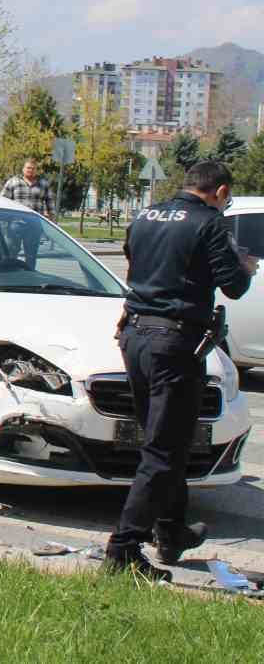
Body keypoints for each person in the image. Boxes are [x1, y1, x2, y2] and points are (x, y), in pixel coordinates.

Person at [104, 160, 257, 580]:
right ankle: (123, 548)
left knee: (162, 439)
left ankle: (171, 530)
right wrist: (244, 267)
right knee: (165, 448)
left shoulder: (147, 215)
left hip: (134, 335)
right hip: (172, 343)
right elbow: (234, 286)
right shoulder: (209, 223)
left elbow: (138, 264)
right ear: (221, 192)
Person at [1, 158, 55, 266]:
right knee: (11, 253)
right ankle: (10, 274)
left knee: (31, 255)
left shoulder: (43, 184)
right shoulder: (13, 182)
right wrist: (4, 221)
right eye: (28, 168)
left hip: (34, 225)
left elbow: (50, 204)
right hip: (15, 224)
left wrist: (51, 220)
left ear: (36, 170)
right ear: (23, 169)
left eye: (33, 168)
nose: (30, 170)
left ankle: (30, 278)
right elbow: (2, 201)